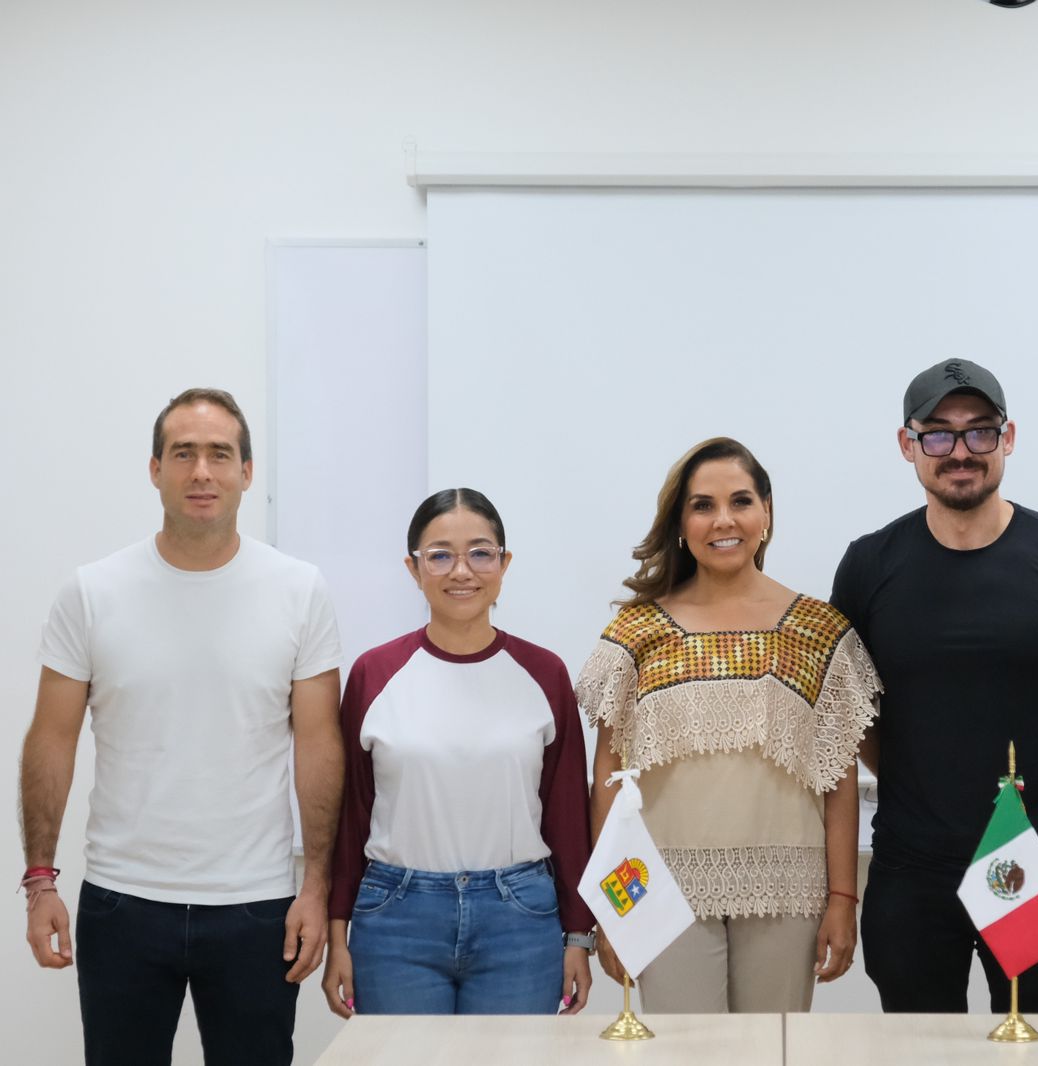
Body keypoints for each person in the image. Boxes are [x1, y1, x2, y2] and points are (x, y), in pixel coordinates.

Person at [19, 387, 343, 1066]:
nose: (202, 471)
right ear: (155, 468)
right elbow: (51, 738)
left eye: (219, 454)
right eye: (184, 453)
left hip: (257, 906)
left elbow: (320, 745)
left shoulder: (298, 590)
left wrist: (316, 886)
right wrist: (40, 879)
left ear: (247, 472)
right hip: (122, 902)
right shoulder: (92, 592)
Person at [830, 359, 1038, 1014]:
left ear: (1008, 438)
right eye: (938, 434)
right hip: (910, 869)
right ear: (908, 444)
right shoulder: (870, 564)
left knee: (1035, 1049)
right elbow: (853, 716)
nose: (960, 452)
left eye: (979, 432)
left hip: (1032, 864)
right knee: (920, 1052)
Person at [577, 437, 880, 1013]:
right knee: (685, 1055)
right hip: (656, 886)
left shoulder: (818, 630)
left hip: (788, 888)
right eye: (702, 505)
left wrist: (844, 897)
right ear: (680, 522)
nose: (724, 520)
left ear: (766, 512)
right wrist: (609, 910)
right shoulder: (636, 631)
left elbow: (840, 778)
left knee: (771, 1053)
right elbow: (608, 777)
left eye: (740, 501)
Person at [323, 488, 595, 1017]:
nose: (461, 571)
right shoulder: (374, 675)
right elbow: (351, 814)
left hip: (519, 922)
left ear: (504, 563)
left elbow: (565, 815)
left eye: (480, 552)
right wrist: (339, 934)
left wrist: (578, 935)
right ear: (413, 568)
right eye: (440, 555)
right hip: (396, 920)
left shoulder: (545, 674)